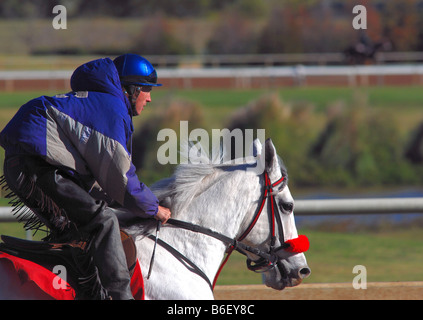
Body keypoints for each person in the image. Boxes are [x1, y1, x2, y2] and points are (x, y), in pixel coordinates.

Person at [0, 53, 171, 300]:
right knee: (104, 222)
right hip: (35, 166)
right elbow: (121, 179)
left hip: (27, 164)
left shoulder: (101, 104)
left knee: (81, 231)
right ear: (130, 90)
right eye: (146, 89)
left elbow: (102, 183)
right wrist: (154, 208)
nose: (150, 97)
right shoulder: (111, 109)